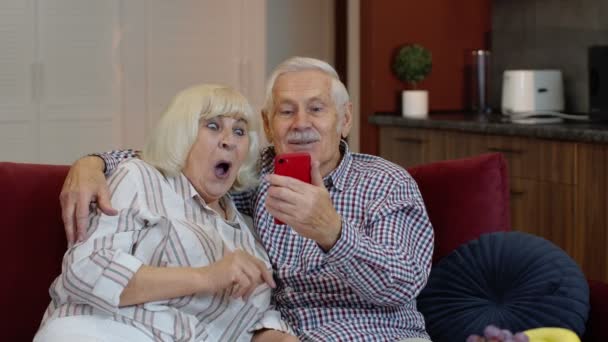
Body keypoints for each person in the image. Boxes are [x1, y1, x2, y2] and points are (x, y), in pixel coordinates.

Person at [60, 57, 435, 341]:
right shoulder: (250, 176)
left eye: (316, 109)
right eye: (286, 111)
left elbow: (403, 285)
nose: (301, 123)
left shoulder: (385, 182)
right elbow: (175, 158)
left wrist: (332, 232)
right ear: (269, 124)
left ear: (345, 119)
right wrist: (92, 163)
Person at [36, 84, 296, 342]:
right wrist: (206, 276)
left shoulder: (245, 235)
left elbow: (246, 325)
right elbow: (86, 269)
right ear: (181, 134)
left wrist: (278, 337)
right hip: (103, 329)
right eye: (213, 126)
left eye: (239, 131)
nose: (229, 140)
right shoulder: (141, 178)